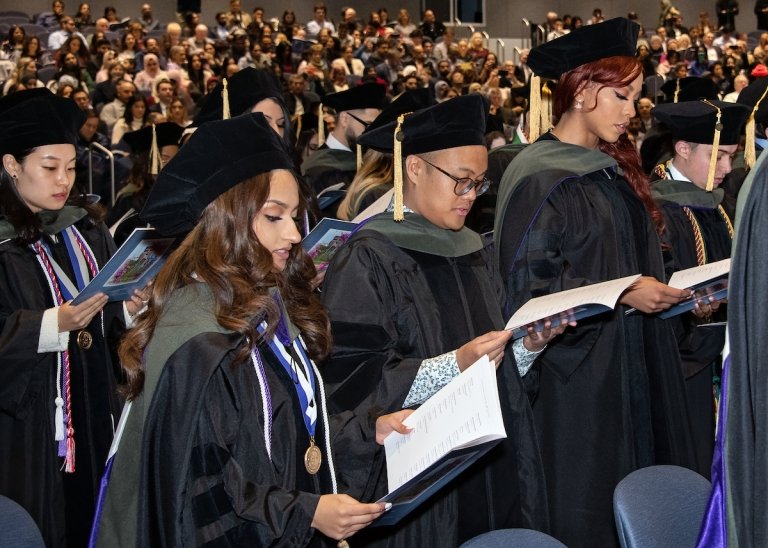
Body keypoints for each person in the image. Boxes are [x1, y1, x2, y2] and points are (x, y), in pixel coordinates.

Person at [91, 112, 401, 547]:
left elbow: (282, 428)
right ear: (226, 221)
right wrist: (305, 512)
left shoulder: (257, 306)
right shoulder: (200, 342)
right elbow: (203, 496)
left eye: (294, 216)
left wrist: (369, 430)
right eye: (275, 217)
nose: (295, 233)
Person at [321, 94, 563, 546]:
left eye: (479, 184)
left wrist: (526, 351)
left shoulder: (474, 249)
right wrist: (453, 365)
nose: (471, 196)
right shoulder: (368, 256)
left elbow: (496, 371)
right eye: (461, 181)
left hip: (492, 459)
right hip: (425, 475)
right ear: (414, 168)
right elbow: (353, 386)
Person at [494, 18, 699, 548]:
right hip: (579, 388)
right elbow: (526, 296)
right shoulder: (541, 176)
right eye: (622, 96)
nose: (634, 111)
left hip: (637, 361)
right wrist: (626, 292)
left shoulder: (610, 168)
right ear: (582, 92)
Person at [0, 88, 142, 547]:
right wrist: (50, 325)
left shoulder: (84, 226)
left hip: (96, 410)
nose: (64, 181)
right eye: (49, 167)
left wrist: (125, 305)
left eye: (71, 167)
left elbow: (104, 313)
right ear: (11, 165)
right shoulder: (3, 245)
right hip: (32, 433)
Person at [650, 99, 750, 479]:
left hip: (723, 353)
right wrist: (690, 309)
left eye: (732, 157)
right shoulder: (654, 207)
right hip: (682, 365)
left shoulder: (718, 204)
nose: (727, 169)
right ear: (683, 148)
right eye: (718, 156)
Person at [300, 82, 385, 204]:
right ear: (345, 119)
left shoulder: (368, 160)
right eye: (368, 125)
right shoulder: (317, 169)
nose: (372, 134)